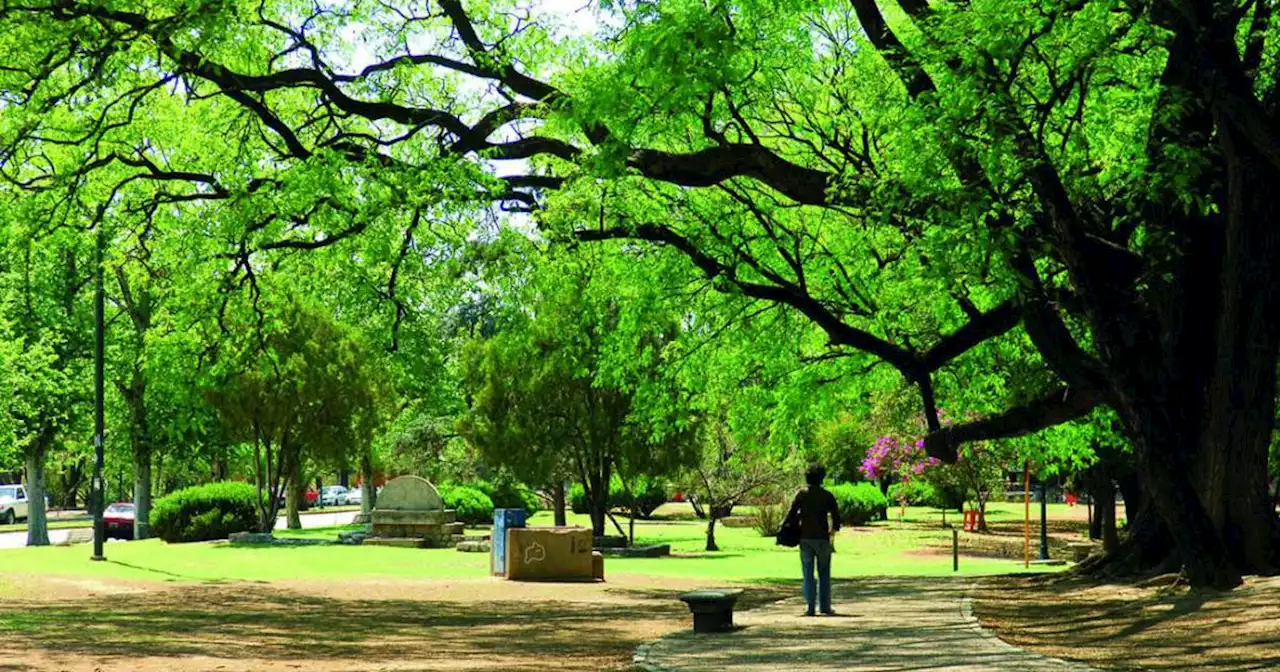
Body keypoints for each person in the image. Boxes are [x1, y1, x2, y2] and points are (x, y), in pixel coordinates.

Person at [785, 463, 841, 616]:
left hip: (805, 538)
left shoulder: (802, 494)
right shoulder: (827, 495)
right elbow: (836, 517)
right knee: (824, 573)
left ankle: (810, 607)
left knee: (808, 573)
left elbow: (791, 513)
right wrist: (832, 532)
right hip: (822, 538)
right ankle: (825, 606)